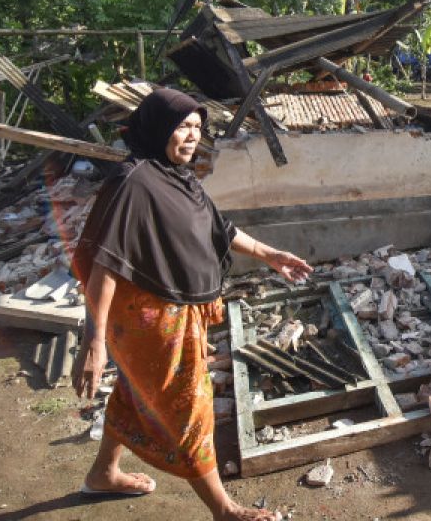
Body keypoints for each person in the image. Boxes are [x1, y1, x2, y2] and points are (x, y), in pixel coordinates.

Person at [70, 88, 313, 521]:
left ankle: (103, 473)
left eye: (197, 128)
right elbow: (104, 266)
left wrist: (269, 255)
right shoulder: (134, 183)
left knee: (134, 392)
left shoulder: (177, 177)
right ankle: (224, 509)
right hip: (151, 319)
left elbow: (221, 229)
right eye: (182, 126)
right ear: (158, 127)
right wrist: (93, 343)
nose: (191, 137)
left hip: (176, 313)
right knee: (188, 409)